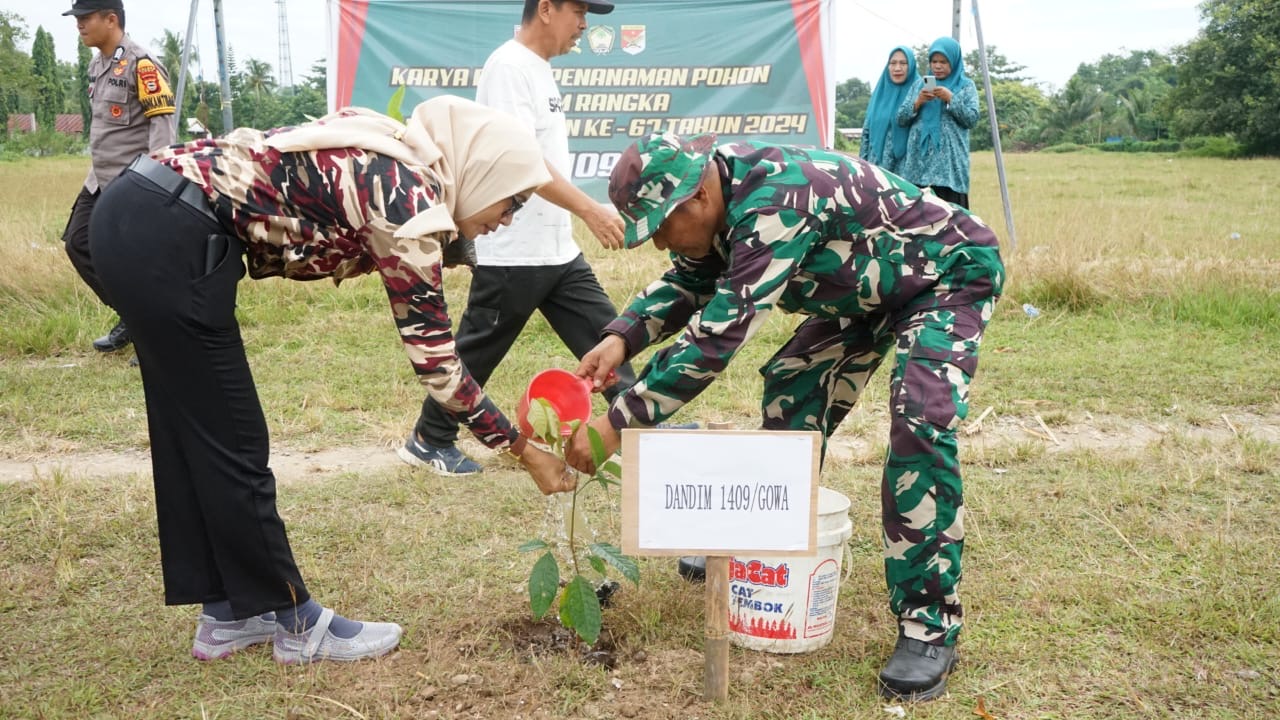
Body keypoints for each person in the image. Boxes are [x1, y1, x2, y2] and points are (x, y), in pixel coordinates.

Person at [87, 96, 577, 664]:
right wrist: (523, 450)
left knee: (195, 438)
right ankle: (298, 624)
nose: (509, 219)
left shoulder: (401, 159)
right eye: (512, 201)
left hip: (138, 212)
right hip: (167, 232)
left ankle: (228, 613)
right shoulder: (410, 199)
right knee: (235, 444)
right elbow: (437, 363)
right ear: (483, 172)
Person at [564, 133, 1004, 701]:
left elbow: (716, 337)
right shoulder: (716, 193)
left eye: (662, 227)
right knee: (793, 386)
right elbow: (689, 279)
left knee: (920, 422)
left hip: (946, 277)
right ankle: (766, 534)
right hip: (864, 290)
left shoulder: (776, 202)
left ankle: (929, 625)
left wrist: (616, 424)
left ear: (698, 197)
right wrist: (621, 338)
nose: (660, 243)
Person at [397, 0, 639, 476]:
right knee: (478, 349)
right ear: (546, 8)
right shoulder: (508, 68)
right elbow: (522, 162)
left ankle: (638, 423)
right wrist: (589, 210)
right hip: (513, 249)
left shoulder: (537, 68)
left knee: (607, 334)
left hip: (555, 249)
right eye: (579, 11)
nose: (584, 24)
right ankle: (429, 439)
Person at [62, 0, 175, 354]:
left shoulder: (142, 64)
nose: (79, 25)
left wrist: (155, 184)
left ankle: (158, 334)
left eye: (85, 18)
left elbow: (163, 129)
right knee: (78, 242)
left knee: (138, 259)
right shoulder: (97, 64)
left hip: (133, 181)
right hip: (99, 179)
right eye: (77, 18)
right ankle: (135, 318)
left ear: (111, 19)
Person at [895, 37, 979, 209]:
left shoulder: (966, 86)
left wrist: (951, 99)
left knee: (951, 215)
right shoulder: (919, 85)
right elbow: (901, 119)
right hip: (918, 168)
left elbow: (971, 119)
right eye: (934, 62)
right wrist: (918, 102)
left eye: (943, 62)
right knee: (919, 215)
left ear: (954, 62)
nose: (938, 66)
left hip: (949, 169)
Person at [859, 45, 917, 174]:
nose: (897, 68)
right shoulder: (880, 94)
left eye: (903, 63)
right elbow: (866, 134)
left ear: (911, 66)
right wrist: (862, 167)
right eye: (893, 63)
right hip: (876, 169)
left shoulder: (919, 93)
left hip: (907, 172)